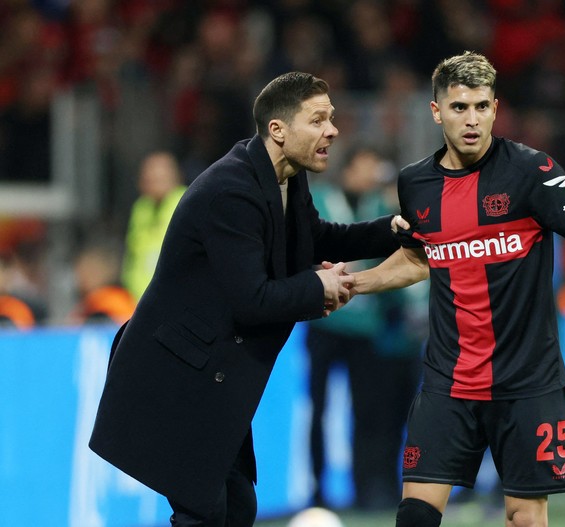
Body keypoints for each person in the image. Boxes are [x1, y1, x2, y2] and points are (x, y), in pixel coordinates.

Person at [89, 71, 405, 527]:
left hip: (209, 381)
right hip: (175, 380)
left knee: (235, 508)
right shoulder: (231, 190)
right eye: (318, 120)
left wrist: (388, 230)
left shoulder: (285, 176)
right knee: (206, 511)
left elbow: (313, 238)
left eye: (331, 119)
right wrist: (318, 288)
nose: (332, 130)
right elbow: (252, 299)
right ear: (278, 129)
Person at [350, 52, 565, 527]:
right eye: (459, 108)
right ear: (437, 112)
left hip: (528, 384)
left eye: (481, 106)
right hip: (448, 382)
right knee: (414, 517)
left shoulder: (532, 172)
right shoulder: (415, 183)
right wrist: (353, 283)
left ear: (496, 108)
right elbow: (423, 258)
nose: (471, 119)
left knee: (524, 520)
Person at [305, 146, 423, 510]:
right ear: (348, 168)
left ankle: (363, 491)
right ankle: (317, 491)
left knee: (368, 411)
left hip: (366, 329)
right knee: (318, 409)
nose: (372, 175)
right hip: (324, 322)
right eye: (366, 166)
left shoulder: (382, 208)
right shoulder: (319, 200)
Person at [121, 151, 187, 302]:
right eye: (148, 178)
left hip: (174, 299)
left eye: (158, 178)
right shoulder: (141, 208)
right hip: (138, 300)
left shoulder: (185, 202)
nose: (152, 181)